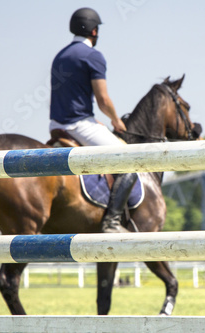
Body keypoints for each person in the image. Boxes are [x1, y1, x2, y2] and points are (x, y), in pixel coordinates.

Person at [49, 7, 136, 233]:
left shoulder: (60, 55)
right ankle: (111, 222)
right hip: (78, 125)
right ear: (94, 31)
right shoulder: (93, 56)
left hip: (57, 125)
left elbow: (71, 98)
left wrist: (94, 120)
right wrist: (116, 121)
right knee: (130, 162)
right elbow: (103, 100)